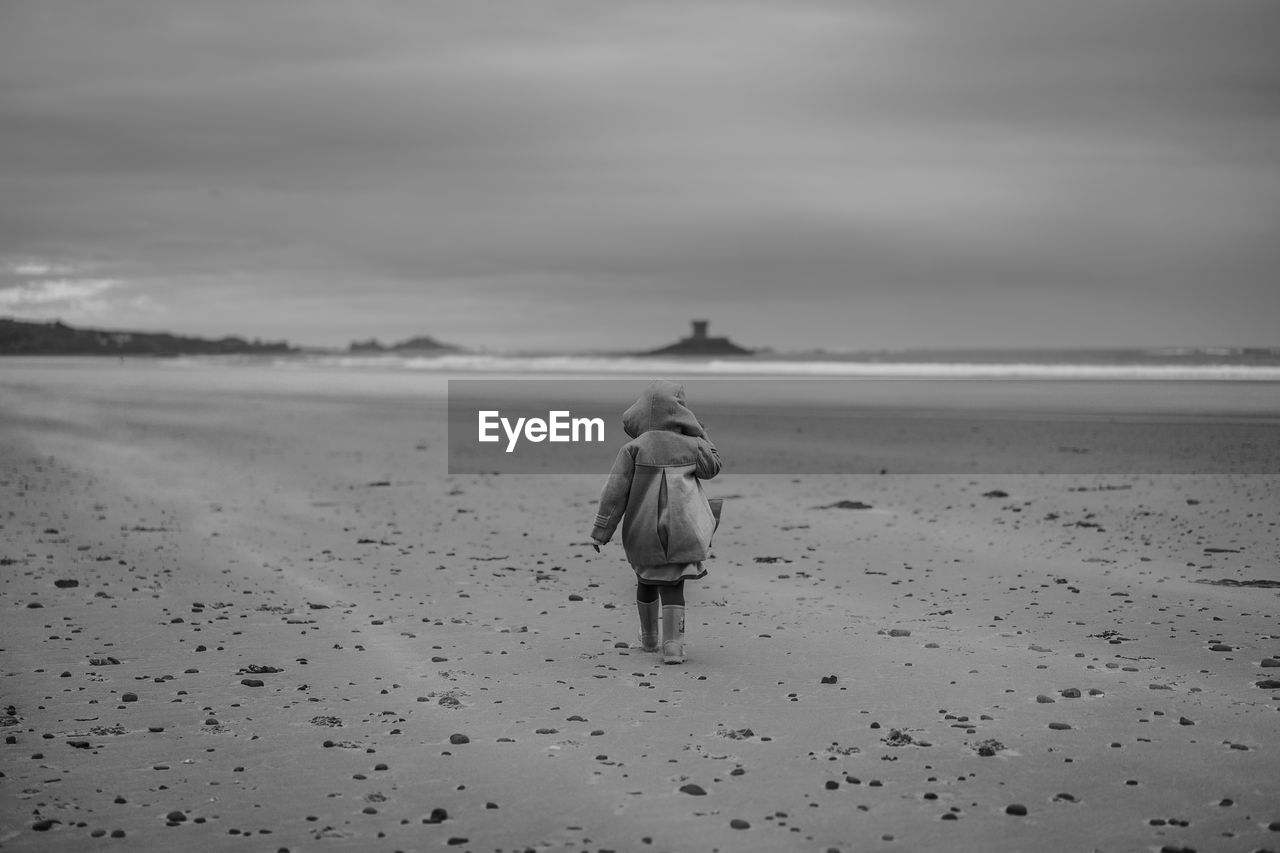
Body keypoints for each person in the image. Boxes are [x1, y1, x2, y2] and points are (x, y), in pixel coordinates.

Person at [590, 380, 721, 664]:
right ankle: (673, 645)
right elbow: (713, 467)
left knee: (645, 579)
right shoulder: (692, 445)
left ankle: (649, 638)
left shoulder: (633, 448)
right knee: (673, 585)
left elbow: (614, 492)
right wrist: (701, 434)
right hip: (683, 529)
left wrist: (602, 531)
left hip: (643, 529)